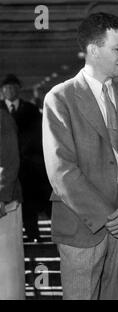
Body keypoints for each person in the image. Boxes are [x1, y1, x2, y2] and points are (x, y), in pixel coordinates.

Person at [42, 12, 118, 300]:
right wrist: (109, 217)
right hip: (83, 226)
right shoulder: (60, 98)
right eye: (117, 48)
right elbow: (61, 171)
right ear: (93, 50)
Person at [0, 74, 47, 242]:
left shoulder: (31, 110)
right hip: (6, 166)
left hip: (28, 166)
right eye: (7, 88)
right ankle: (14, 239)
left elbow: (39, 135)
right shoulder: (1, 111)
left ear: (18, 90)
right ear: (2, 91)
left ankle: (33, 235)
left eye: (13, 88)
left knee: (29, 203)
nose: (10, 91)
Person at [0, 108, 25, 299]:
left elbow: (10, 160)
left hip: (4, 204)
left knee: (7, 272)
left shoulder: (2, 118)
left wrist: (1, 195)